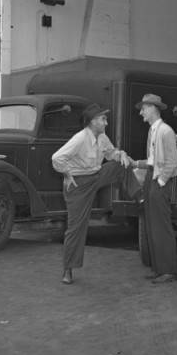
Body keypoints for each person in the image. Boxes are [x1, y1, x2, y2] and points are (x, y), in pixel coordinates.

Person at [52, 102, 133, 284]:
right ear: (92, 122)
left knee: (122, 164)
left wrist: (122, 154)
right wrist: (66, 172)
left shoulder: (102, 137)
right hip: (78, 185)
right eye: (103, 119)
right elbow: (56, 158)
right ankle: (68, 270)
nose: (106, 122)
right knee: (76, 228)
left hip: (95, 176)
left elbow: (111, 153)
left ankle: (139, 196)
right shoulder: (80, 138)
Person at [131, 93, 177, 284]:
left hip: (159, 181)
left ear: (153, 108)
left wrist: (160, 182)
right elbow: (153, 160)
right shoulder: (154, 130)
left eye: (143, 108)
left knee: (161, 227)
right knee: (152, 226)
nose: (141, 112)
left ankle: (168, 271)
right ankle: (159, 269)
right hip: (152, 179)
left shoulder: (165, 131)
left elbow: (173, 162)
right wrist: (136, 163)